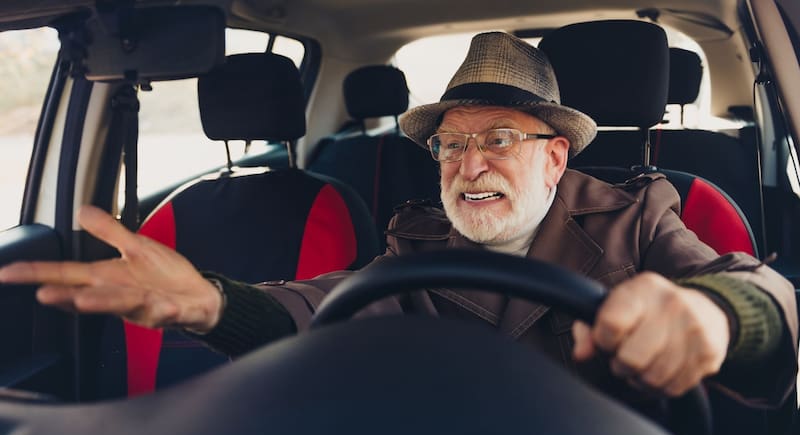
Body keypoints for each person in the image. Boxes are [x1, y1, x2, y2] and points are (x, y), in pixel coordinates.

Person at [0, 32, 796, 408]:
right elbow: (322, 306)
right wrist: (212, 302)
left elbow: (760, 292)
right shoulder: (414, 238)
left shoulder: (645, 216)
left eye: (499, 140)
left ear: (555, 158)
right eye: (451, 145)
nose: (468, 165)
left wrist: (714, 317)